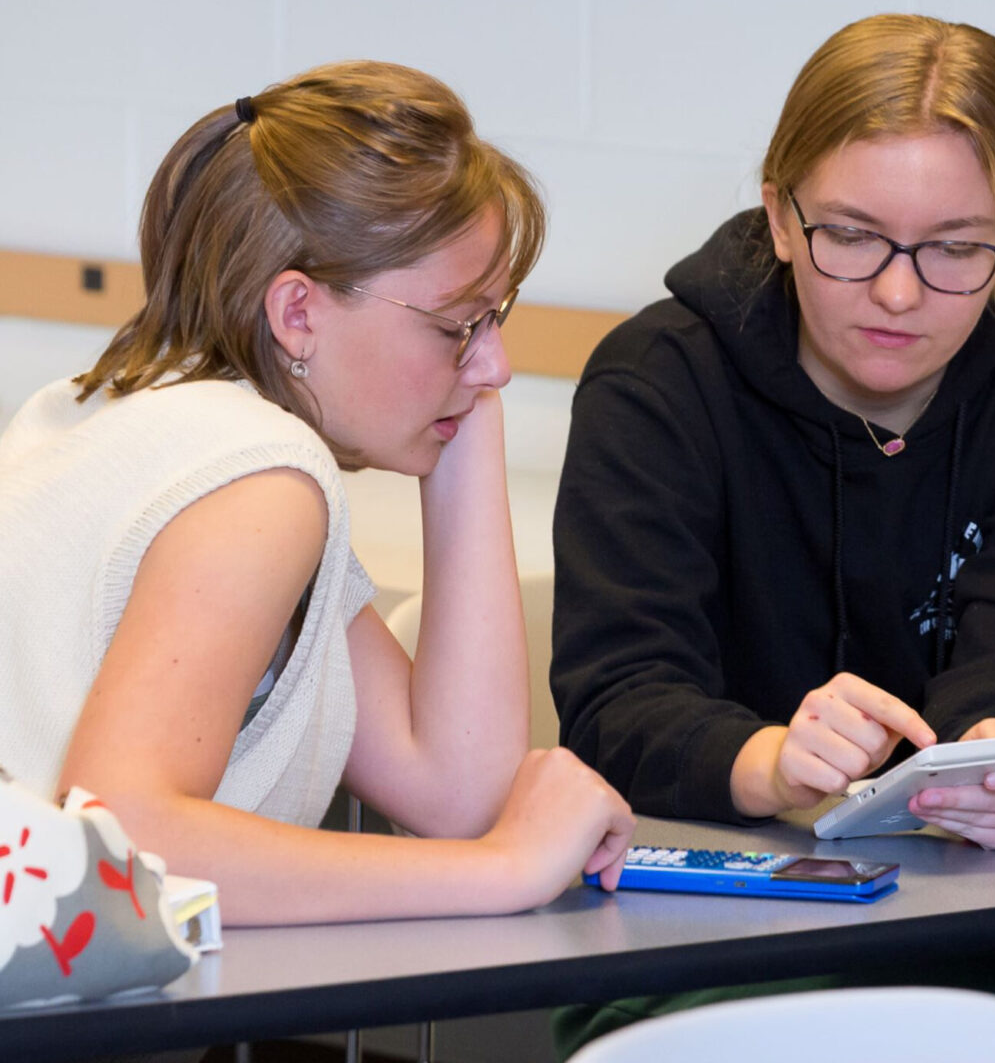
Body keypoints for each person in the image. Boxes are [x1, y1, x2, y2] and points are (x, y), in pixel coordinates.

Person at [0, 61, 635, 925]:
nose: (499, 367)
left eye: (496, 319)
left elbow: (454, 788)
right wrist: (505, 871)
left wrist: (459, 386)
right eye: (460, 326)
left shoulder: (113, 409)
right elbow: (125, 837)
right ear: (297, 313)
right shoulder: (261, 479)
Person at [551, 13, 995, 849]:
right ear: (781, 220)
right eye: (853, 236)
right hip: (699, 892)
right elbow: (617, 703)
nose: (898, 294)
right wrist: (772, 762)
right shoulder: (656, 380)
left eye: (956, 249)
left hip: (953, 885)